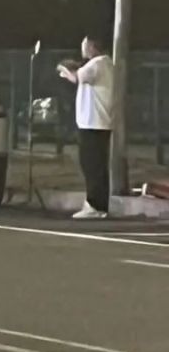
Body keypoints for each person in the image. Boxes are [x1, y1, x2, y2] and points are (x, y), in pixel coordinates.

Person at [57, 35, 114, 219]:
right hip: (99, 122)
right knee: (98, 166)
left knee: (91, 165)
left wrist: (64, 69)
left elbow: (76, 77)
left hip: (92, 123)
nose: (82, 48)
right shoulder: (106, 63)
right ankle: (100, 205)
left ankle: (94, 205)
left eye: (84, 44)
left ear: (91, 46)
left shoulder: (97, 64)